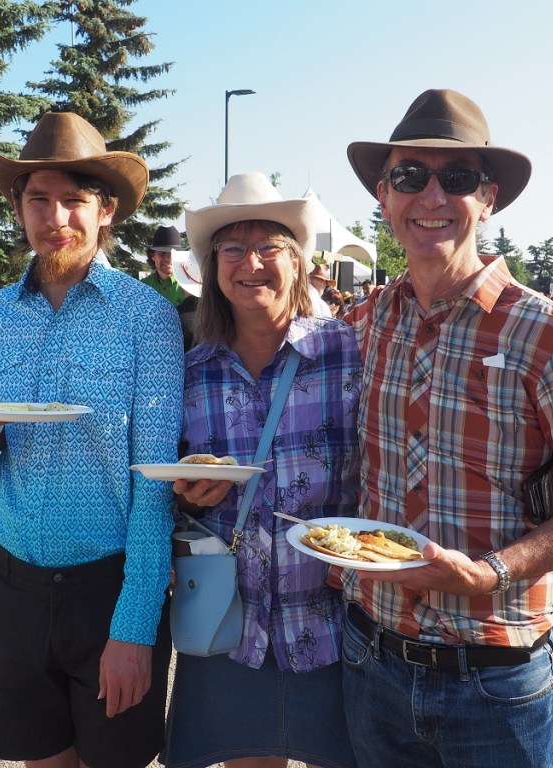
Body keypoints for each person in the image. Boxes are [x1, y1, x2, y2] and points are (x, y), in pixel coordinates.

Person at [339, 88, 553, 768]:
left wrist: (491, 573)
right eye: (410, 176)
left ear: (487, 198)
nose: (431, 196)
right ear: (385, 195)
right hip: (370, 658)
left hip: (495, 675)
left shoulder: (551, 334)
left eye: (457, 178)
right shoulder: (365, 322)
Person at [0, 111, 183, 768]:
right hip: (10, 582)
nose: (56, 218)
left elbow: (155, 479)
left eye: (73, 201)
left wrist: (133, 628)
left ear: (106, 210)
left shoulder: (147, 317)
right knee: (42, 761)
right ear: (17, 207)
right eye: (38, 199)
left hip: (107, 589)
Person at [164, 172, 361, 768]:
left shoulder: (347, 350)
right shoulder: (190, 369)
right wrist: (191, 498)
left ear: (297, 263)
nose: (251, 263)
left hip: (332, 615)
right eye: (232, 249)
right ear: (212, 268)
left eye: (269, 247)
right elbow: (173, 492)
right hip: (231, 617)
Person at [141, 224, 187, 306]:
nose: (168, 259)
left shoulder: (189, 286)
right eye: (162, 254)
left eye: (172, 254)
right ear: (152, 256)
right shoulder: (142, 286)